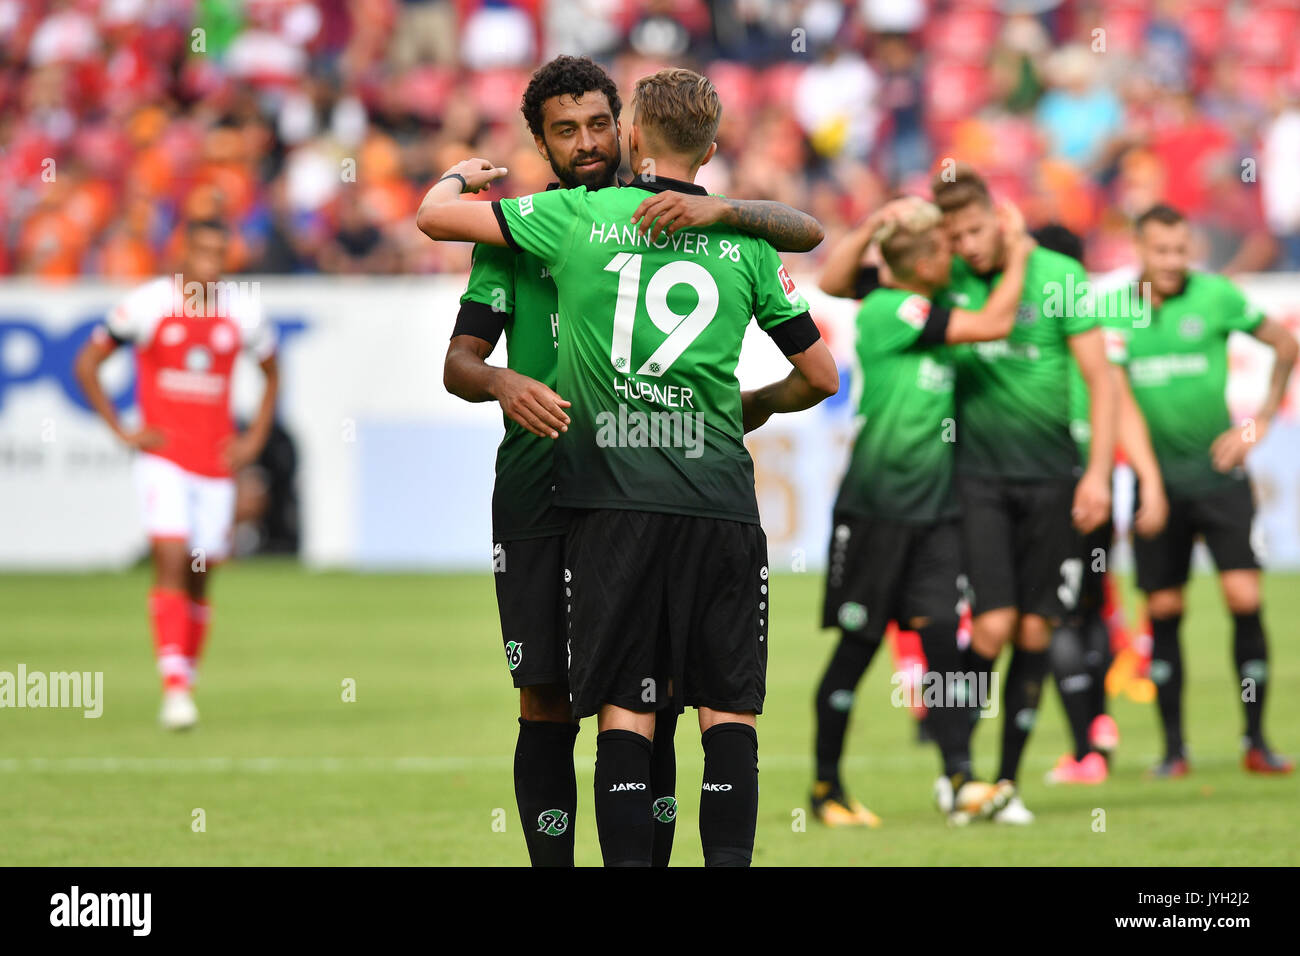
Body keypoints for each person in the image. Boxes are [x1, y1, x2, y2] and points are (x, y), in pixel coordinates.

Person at [417, 67, 839, 866]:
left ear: (627, 131)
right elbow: (459, 363)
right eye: (564, 131)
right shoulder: (521, 235)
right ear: (540, 141)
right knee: (547, 695)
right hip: (550, 485)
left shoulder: (576, 219)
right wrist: (505, 382)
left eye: (597, 125)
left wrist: (450, 180)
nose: (585, 143)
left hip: (623, 490)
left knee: (650, 697)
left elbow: (433, 215)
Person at [813, 196, 1036, 827]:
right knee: (856, 650)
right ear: (921, 261)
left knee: (942, 643)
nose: (952, 254)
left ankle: (961, 778)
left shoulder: (923, 300)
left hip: (934, 514)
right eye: (942, 248)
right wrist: (1018, 252)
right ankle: (826, 788)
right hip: (876, 510)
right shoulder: (891, 307)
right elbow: (993, 324)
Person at [932, 165, 1116, 824]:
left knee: (1038, 628)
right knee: (992, 624)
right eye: (956, 236)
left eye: (976, 230)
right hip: (977, 478)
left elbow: (1101, 380)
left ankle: (1005, 782)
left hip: (1053, 478)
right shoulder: (947, 279)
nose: (969, 246)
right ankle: (958, 771)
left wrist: (1097, 474)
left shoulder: (1061, 278)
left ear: (1001, 217)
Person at [1107, 203, 1297, 778]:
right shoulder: (1114, 308)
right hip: (1154, 485)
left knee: (1244, 598)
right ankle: (1173, 750)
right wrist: (1148, 483)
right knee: (1164, 608)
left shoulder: (1215, 295)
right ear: (1138, 249)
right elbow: (1110, 396)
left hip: (1220, 477)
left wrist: (1256, 423)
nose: (1171, 262)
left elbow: (1286, 346)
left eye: (1180, 250)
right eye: (1160, 251)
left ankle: (1257, 741)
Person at [73, 220, 279, 730]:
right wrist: (122, 431)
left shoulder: (243, 311)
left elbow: (274, 371)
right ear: (182, 255)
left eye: (219, 255)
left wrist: (252, 439)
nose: (211, 265)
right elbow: (88, 362)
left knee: (201, 571)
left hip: (215, 464)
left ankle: (185, 674)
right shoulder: (146, 305)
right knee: (169, 554)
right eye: (202, 254)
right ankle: (175, 688)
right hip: (163, 457)